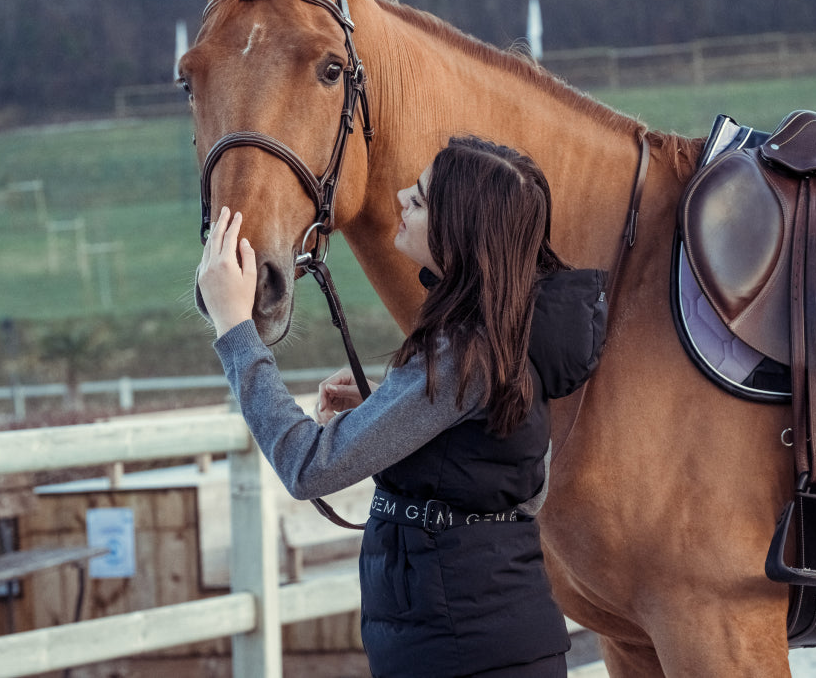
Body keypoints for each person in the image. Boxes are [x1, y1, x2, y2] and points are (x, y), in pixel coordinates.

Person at [197, 135, 609, 677]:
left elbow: (307, 466)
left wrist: (235, 328)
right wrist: (382, 409)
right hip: (478, 644)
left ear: (458, 234)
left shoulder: (465, 356)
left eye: (418, 199)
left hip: (463, 653)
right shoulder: (502, 339)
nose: (398, 197)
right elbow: (498, 472)